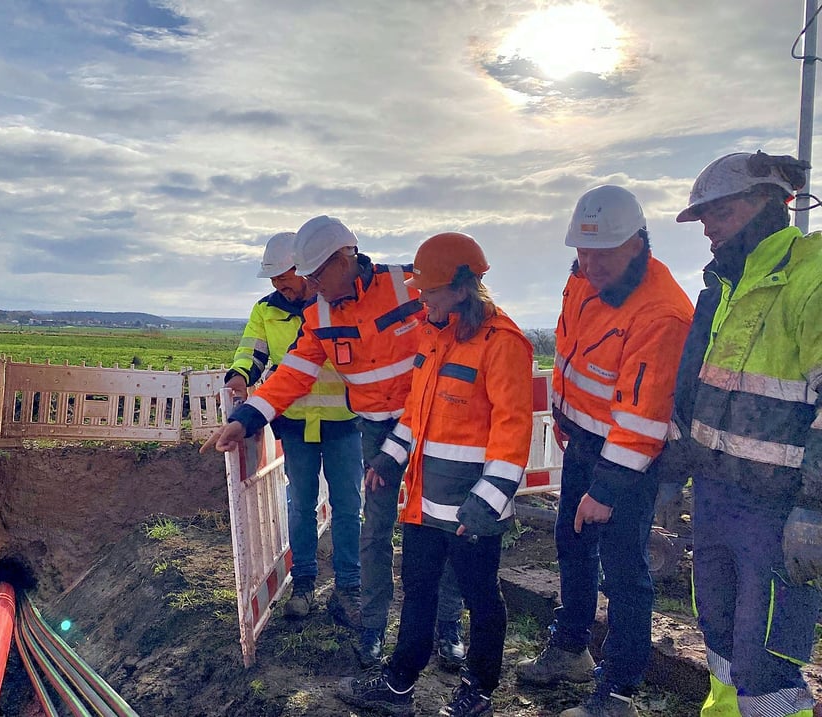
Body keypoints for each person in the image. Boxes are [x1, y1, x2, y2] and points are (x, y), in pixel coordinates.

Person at [203, 215, 464, 667]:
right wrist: (245, 419)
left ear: (348, 257)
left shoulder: (408, 285)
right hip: (375, 432)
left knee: (443, 527)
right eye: (309, 276)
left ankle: (448, 627)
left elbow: (462, 326)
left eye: (319, 273)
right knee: (376, 531)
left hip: (433, 422)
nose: (313, 284)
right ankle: (374, 629)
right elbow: (292, 374)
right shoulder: (320, 312)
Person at [335, 232, 534, 717]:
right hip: (425, 502)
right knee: (418, 590)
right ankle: (400, 683)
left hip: (471, 510)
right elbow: (416, 414)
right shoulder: (435, 335)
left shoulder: (503, 344)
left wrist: (488, 502)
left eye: (430, 292)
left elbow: (513, 430)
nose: (421, 300)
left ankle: (479, 690)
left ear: (462, 289)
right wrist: (389, 457)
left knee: (480, 598)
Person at [516, 185, 693, 717]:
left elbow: (644, 420)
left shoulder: (662, 313)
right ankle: (570, 648)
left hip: (630, 461)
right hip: (585, 444)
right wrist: (570, 429)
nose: (589, 265)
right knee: (572, 546)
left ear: (638, 243)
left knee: (623, 571)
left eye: (602, 254)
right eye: (582, 253)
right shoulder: (584, 276)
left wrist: (607, 490)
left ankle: (617, 690)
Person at [669, 151, 822, 717]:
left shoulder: (810, 276)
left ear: (769, 204)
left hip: (778, 512)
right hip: (717, 500)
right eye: (703, 216)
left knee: (767, 662)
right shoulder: (725, 288)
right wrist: (674, 471)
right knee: (721, 643)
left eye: (720, 212)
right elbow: (701, 394)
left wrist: (813, 508)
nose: (707, 226)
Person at [224, 231, 362, 620]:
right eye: (272, 278)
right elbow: (251, 353)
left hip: (344, 422)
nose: (277, 284)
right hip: (296, 424)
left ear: (302, 269)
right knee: (299, 506)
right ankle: (303, 585)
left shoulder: (335, 303)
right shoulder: (266, 310)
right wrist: (238, 375)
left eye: (283, 275)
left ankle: (349, 588)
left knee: (349, 506)